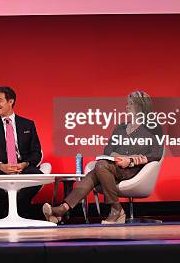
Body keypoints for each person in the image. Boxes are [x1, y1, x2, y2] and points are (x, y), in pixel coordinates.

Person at [43, 91, 163, 224]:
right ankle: (64, 209)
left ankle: (113, 210)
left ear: (141, 106)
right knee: (97, 169)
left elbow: (157, 153)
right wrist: (119, 157)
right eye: (127, 103)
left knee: (99, 165)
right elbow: (108, 149)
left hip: (134, 170)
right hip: (114, 166)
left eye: (131, 104)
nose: (127, 106)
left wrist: (131, 160)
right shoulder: (121, 128)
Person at [0, 86, 44, 218]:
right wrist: (1, 166)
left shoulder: (28, 124)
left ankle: (19, 207)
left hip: (22, 168)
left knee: (37, 175)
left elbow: (36, 152)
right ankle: (8, 208)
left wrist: (24, 164)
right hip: (0, 168)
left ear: (11, 101)